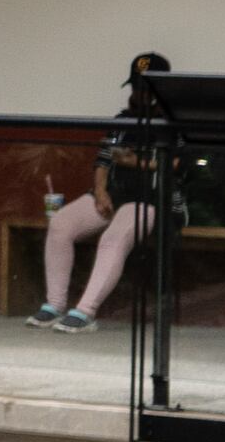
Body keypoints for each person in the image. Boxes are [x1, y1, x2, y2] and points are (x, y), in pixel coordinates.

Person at [31, 51, 171, 329]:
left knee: (113, 237)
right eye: (135, 87)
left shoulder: (171, 122)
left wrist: (136, 162)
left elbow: (177, 165)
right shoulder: (122, 120)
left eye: (145, 89)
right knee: (60, 223)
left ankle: (85, 311)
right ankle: (54, 304)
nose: (138, 95)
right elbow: (103, 159)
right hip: (113, 194)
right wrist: (100, 190)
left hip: (149, 199)